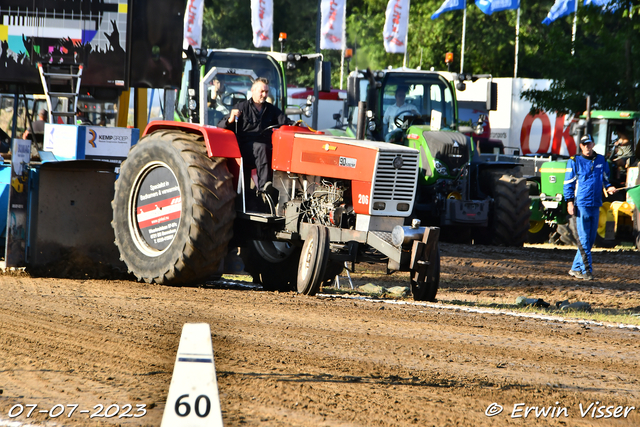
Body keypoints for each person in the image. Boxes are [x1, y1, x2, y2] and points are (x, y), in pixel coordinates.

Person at [218, 77, 294, 207]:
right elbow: (220, 126)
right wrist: (231, 119)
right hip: (246, 150)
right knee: (261, 147)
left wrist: (296, 126)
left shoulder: (271, 110)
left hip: (265, 149)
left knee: (275, 150)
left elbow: (286, 122)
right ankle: (265, 188)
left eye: (266, 92)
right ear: (252, 90)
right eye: (262, 91)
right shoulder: (241, 108)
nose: (264, 95)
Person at [564, 134, 617, 280]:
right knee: (584, 239)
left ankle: (575, 268)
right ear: (581, 146)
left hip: (596, 204)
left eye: (589, 144)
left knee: (590, 239)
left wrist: (610, 187)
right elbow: (568, 184)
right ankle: (587, 271)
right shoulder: (574, 161)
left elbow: (605, 179)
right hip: (581, 205)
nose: (587, 146)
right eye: (584, 144)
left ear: (593, 144)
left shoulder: (601, 160)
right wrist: (569, 202)